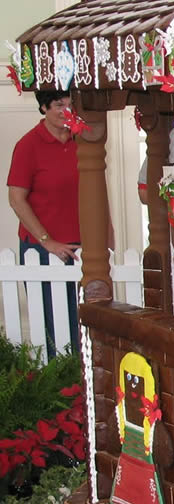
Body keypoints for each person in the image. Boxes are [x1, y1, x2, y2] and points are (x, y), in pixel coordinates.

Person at [7, 90, 80, 358]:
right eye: (59, 104)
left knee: (81, 325)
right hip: (41, 250)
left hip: (82, 248)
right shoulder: (28, 145)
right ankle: (58, 392)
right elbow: (16, 199)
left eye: (71, 104)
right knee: (49, 328)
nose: (66, 110)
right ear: (44, 108)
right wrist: (46, 240)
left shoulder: (83, 141)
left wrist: (107, 236)